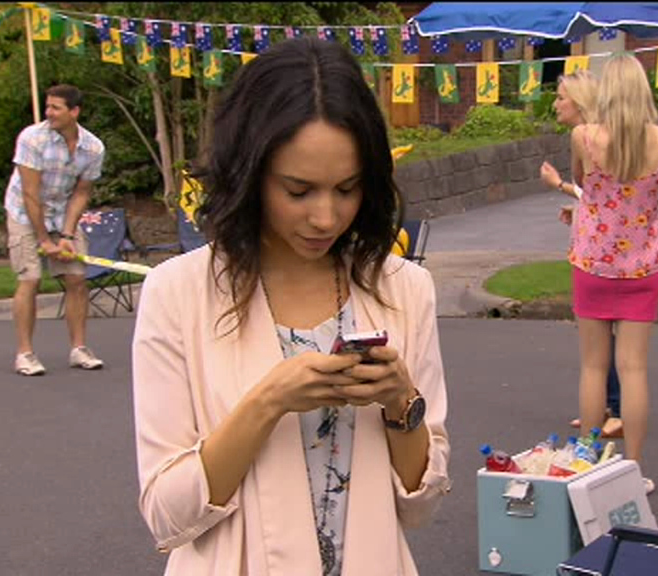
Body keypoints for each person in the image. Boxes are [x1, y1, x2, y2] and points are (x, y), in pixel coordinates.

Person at [131, 37, 450, 575]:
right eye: (298, 191)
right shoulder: (178, 293)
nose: (325, 218)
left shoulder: (404, 289)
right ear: (249, 173)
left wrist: (401, 400)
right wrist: (269, 401)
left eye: (346, 189)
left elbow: (421, 506)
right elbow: (167, 515)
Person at [558, 54, 658, 494]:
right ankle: (633, 468)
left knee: (593, 367)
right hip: (643, 265)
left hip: (593, 263)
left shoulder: (584, 136)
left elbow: (582, 182)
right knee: (634, 371)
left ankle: (587, 462)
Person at [539, 71, 623, 439]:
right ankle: (602, 405)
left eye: (561, 97)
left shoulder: (589, 138)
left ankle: (617, 408)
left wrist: (559, 185)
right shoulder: (596, 136)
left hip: (604, 256)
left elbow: (606, 197)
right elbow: (599, 198)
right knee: (601, 336)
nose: (556, 104)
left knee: (604, 335)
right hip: (598, 247)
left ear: (580, 100)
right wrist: (578, 208)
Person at [4, 84, 106, 376]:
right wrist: (44, 240)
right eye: (47, 106)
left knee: (76, 279)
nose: (48, 113)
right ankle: (25, 354)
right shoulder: (32, 138)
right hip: (24, 212)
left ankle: (79, 349)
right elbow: (30, 193)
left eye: (55, 108)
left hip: (61, 213)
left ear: (74, 112)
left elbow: (82, 193)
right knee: (30, 279)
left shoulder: (93, 148)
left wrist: (67, 236)